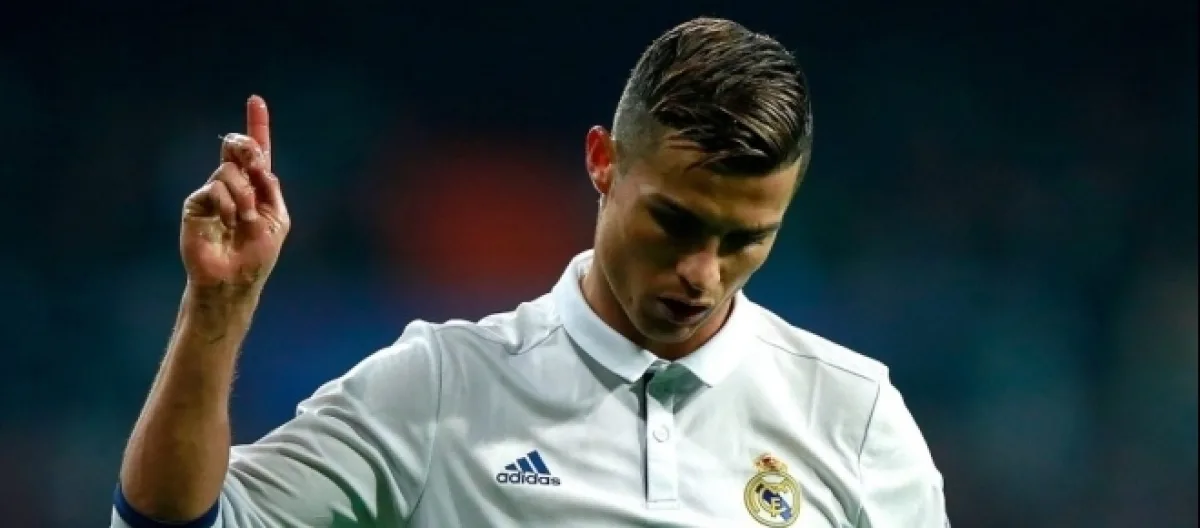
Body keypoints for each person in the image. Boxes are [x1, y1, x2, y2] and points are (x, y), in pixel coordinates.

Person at [111, 17, 948, 528]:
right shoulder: (439, 388)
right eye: (674, 222)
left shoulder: (853, 414)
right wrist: (218, 305)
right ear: (602, 162)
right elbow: (172, 524)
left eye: (745, 240)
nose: (702, 273)